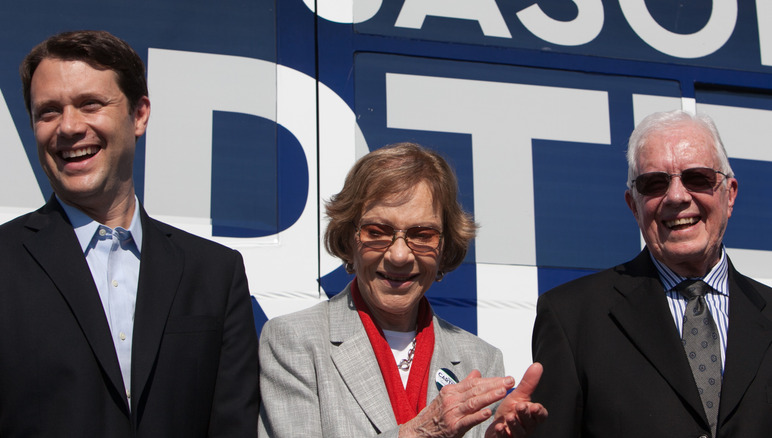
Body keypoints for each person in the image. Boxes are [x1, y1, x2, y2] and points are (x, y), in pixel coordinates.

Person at [0, 30, 259, 437]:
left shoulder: (215, 273)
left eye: (90, 104)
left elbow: (232, 425)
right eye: (47, 111)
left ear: (139, 115)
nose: (68, 127)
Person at [258, 142, 547, 438]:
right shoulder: (293, 341)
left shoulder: (481, 358)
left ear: (445, 247)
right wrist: (420, 433)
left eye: (422, 235)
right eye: (377, 232)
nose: (399, 255)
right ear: (348, 237)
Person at [530, 109, 772, 437]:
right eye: (654, 183)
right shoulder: (572, 318)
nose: (676, 196)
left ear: (729, 194)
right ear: (634, 205)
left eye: (697, 178)